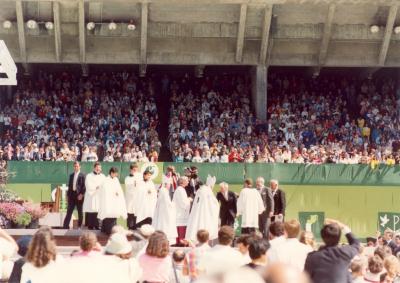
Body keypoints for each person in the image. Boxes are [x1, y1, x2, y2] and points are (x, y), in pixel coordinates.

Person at [304, 218, 360, 283]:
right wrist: (342, 226)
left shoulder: (312, 257)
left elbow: (305, 278)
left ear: (322, 237)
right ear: (339, 237)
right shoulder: (344, 253)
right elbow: (356, 243)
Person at [185, 176, 219, 242]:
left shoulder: (200, 189)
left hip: (196, 212)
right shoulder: (208, 191)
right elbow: (214, 204)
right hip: (205, 213)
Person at [98, 167, 127, 235]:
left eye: (116, 174)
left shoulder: (116, 179)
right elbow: (105, 191)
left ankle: (111, 230)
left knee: (113, 215)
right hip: (108, 201)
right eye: (115, 173)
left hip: (114, 201)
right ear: (111, 173)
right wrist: (113, 193)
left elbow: (119, 190)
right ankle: (107, 230)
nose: (116, 175)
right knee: (107, 215)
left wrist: (117, 193)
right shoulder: (106, 180)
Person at [83, 162, 106, 230]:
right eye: (97, 168)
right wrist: (96, 188)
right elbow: (88, 185)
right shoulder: (89, 176)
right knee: (91, 210)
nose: (98, 169)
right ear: (94, 168)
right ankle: (90, 225)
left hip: (99, 196)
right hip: (92, 196)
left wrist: (101, 189)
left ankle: (98, 225)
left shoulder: (103, 176)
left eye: (99, 168)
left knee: (98, 210)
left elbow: (105, 185)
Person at [63, 161, 86, 229]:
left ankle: (79, 226)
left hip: (79, 196)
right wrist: (67, 195)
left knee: (80, 212)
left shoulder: (83, 175)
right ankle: (65, 226)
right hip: (71, 195)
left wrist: (81, 194)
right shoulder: (71, 175)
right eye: (75, 166)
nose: (76, 167)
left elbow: (84, 186)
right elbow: (70, 186)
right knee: (69, 211)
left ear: (80, 166)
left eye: (77, 166)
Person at [173, 176, 192, 246]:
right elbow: (183, 203)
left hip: (180, 213)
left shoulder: (180, 189)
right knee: (181, 228)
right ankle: (181, 243)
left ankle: (179, 242)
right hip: (180, 213)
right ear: (183, 182)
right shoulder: (180, 190)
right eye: (187, 180)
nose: (188, 181)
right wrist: (189, 200)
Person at [124, 163, 142, 230]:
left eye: (136, 170)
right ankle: (130, 226)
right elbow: (128, 187)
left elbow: (141, 186)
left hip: (137, 197)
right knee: (130, 211)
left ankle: (136, 225)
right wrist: (133, 184)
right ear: (130, 170)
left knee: (136, 211)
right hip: (130, 198)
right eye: (134, 170)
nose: (135, 171)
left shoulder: (139, 177)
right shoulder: (127, 178)